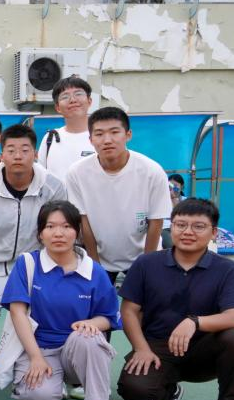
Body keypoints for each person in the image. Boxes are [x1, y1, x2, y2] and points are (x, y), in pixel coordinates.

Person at [116, 198, 234, 400]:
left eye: (198, 226)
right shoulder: (147, 263)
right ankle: (167, 391)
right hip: (158, 348)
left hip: (205, 349)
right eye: (181, 225)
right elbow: (129, 310)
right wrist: (141, 348)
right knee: (135, 391)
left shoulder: (227, 270)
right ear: (172, 228)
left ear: (213, 233)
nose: (188, 232)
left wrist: (194, 322)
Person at [1, 201, 123, 400]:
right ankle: (46, 397)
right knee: (39, 398)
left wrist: (93, 324)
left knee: (89, 337)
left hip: (76, 349)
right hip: (39, 350)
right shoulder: (28, 264)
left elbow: (108, 317)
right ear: (40, 233)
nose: (58, 233)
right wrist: (35, 357)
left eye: (66, 226)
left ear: (77, 232)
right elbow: (18, 313)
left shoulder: (94, 271)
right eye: (50, 226)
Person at [0, 123, 66, 391]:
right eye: (11, 150)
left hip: (35, 262)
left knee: (43, 309)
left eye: (25, 149)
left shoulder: (53, 186)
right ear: (2, 154)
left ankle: (47, 367)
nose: (18, 155)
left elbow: (58, 230)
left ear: (35, 154)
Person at [65, 107, 171, 283]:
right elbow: (84, 221)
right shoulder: (77, 173)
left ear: (128, 135)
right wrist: (95, 266)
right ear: (90, 139)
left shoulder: (152, 171)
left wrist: (147, 265)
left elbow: (156, 221)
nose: (107, 140)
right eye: (99, 134)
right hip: (99, 257)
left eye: (114, 132)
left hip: (143, 255)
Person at [37, 76, 97, 180]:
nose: (73, 100)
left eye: (78, 94)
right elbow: (41, 178)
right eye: (65, 97)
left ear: (89, 101)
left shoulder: (102, 136)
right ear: (57, 107)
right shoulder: (50, 138)